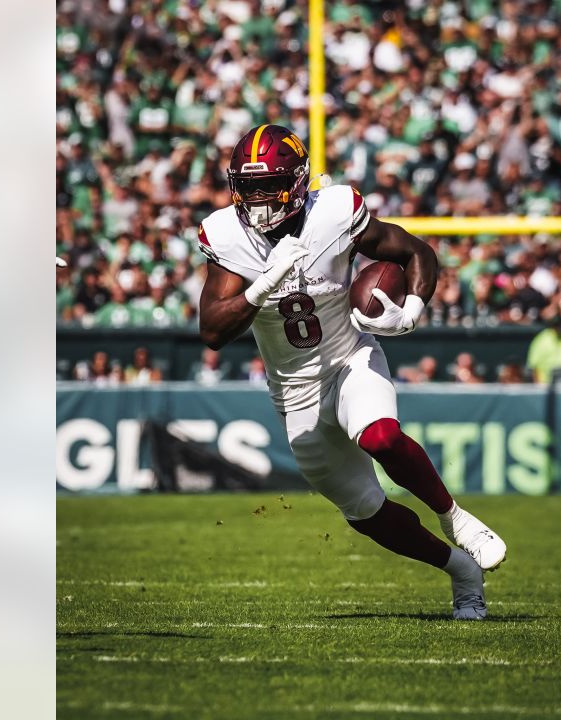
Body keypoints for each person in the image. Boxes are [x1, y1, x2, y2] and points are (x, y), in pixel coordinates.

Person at [198, 125, 505, 620]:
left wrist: (411, 311)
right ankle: (460, 571)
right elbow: (211, 331)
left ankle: (456, 519)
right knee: (365, 512)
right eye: (247, 185)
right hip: (293, 392)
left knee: (381, 437)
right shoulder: (227, 236)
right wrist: (259, 289)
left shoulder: (335, 213)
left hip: (348, 358)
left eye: (267, 185)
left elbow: (416, 253)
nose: (255, 199)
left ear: (297, 183)